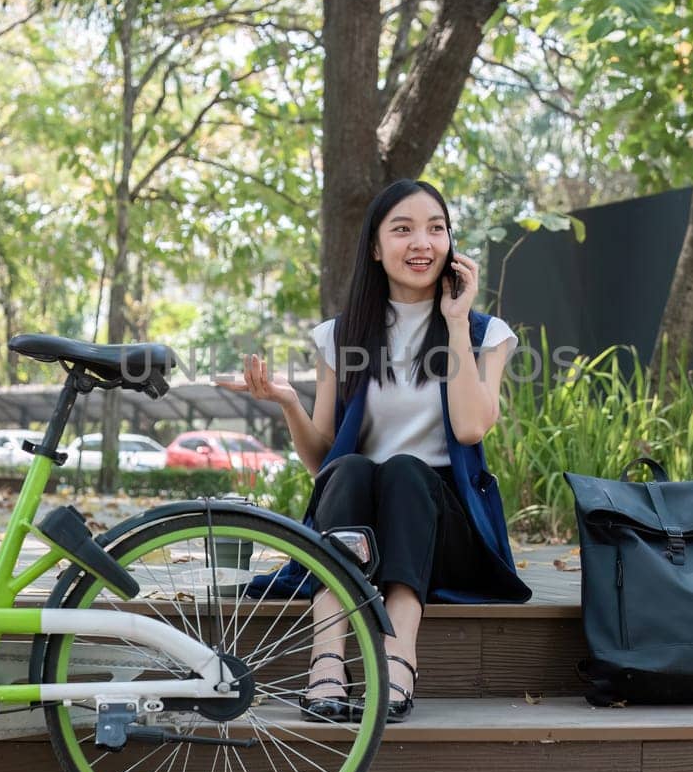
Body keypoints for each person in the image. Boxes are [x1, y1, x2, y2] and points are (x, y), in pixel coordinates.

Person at [224, 179, 530, 724]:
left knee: (408, 473)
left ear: (452, 245)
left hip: (444, 530)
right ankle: (326, 662)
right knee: (350, 469)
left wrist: (457, 321)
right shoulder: (342, 337)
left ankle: (399, 656)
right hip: (359, 525)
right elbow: (324, 465)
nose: (423, 243)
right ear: (374, 246)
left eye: (436, 229)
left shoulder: (486, 333)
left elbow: (468, 429)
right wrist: (290, 402)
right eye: (403, 229)